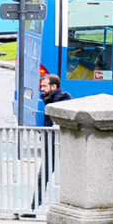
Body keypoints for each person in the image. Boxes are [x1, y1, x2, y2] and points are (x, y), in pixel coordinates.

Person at [31, 74, 72, 211]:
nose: (42, 89)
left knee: (47, 176)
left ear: (54, 86)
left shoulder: (62, 99)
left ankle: (34, 207)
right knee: (43, 176)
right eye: (41, 86)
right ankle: (33, 207)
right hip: (51, 143)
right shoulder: (50, 100)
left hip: (60, 144)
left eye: (45, 86)